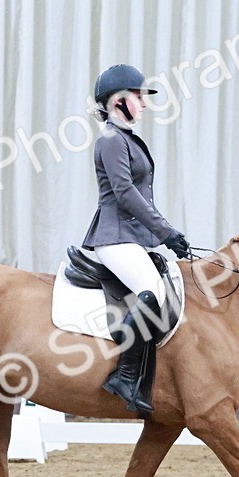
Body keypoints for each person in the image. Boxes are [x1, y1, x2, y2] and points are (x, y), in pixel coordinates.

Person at [82, 63, 191, 413]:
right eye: (139, 97)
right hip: (113, 237)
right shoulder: (111, 140)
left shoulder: (125, 138)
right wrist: (166, 232)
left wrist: (160, 234)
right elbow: (126, 193)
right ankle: (125, 377)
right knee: (153, 294)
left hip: (131, 237)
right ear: (119, 100)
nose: (144, 104)